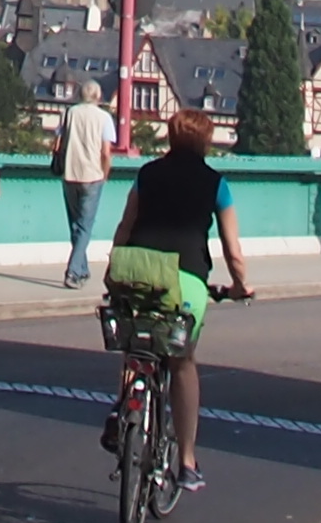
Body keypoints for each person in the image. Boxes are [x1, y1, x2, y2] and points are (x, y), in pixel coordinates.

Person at [101, 116, 259, 484]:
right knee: (183, 362)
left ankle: (124, 406)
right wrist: (240, 285)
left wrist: (113, 270)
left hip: (137, 271)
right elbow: (233, 250)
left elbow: (125, 227)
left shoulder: (146, 174)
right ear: (206, 142)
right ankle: (187, 462)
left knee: (136, 343)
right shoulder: (216, 184)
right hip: (185, 279)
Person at [53, 73, 119, 288]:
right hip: (93, 175)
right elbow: (106, 152)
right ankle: (73, 271)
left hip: (70, 173)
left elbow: (57, 143)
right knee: (85, 225)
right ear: (98, 96)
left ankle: (82, 269)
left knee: (75, 225)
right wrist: (105, 173)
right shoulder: (104, 118)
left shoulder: (70, 113)